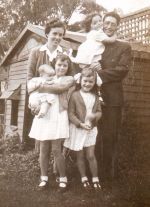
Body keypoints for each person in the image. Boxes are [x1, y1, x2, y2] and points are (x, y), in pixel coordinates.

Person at [27, 18, 74, 192]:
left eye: (61, 34)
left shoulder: (65, 55)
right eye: (54, 33)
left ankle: (62, 178)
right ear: (47, 33)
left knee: (56, 147)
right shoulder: (36, 52)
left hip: (58, 109)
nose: (57, 37)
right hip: (42, 107)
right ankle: (44, 178)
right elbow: (29, 79)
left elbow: (68, 82)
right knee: (43, 147)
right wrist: (34, 101)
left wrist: (43, 86)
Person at [94, 12, 132, 183]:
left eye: (112, 24)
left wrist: (98, 73)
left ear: (118, 26)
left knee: (110, 136)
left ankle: (109, 176)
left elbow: (122, 70)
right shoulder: (94, 43)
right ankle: (92, 174)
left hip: (113, 99)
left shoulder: (124, 47)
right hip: (92, 96)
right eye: (106, 22)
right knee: (92, 135)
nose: (108, 26)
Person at [64, 68, 102, 191]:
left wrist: (94, 117)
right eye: (85, 81)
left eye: (91, 82)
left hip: (91, 129)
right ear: (80, 80)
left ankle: (95, 178)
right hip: (78, 129)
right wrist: (80, 124)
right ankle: (83, 178)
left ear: (94, 82)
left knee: (90, 155)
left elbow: (99, 112)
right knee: (79, 155)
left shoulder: (95, 96)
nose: (87, 84)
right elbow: (70, 114)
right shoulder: (75, 95)